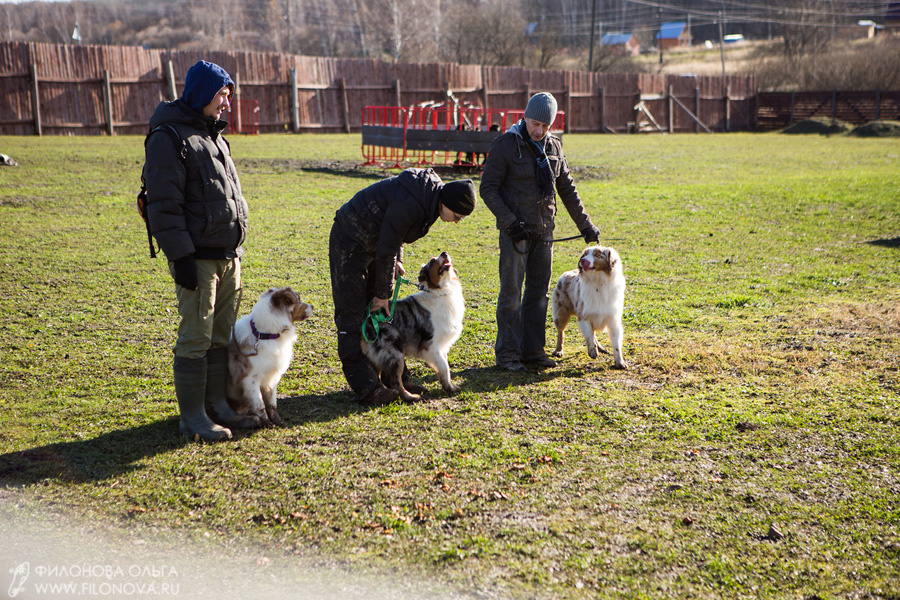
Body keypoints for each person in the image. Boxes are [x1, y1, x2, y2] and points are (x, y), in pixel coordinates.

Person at [143, 61, 248, 441]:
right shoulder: (167, 138)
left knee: (220, 336)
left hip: (227, 254)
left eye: (228, 96)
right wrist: (181, 257)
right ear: (204, 93)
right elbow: (163, 205)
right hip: (198, 258)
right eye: (223, 95)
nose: (227, 104)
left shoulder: (215, 137)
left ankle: (216, 405)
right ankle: (192, 417)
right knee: (196, 336)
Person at [329, 169, 476, 406]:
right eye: (458, 215)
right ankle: (368, 388)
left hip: (375, 244)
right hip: (351, 238)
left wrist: (398, 259)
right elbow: (389, 240)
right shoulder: (416, 202)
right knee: (353, 314)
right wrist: (382, 295)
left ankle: (396, 379)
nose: (458, 221)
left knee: (380, 317)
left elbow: (394, 235)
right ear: (447, 203)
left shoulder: (429, 199)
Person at [480, 92, 600, 372]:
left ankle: (533, 351)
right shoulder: (507, 145)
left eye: (546, 126)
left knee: (538, 295)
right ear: (525, 117)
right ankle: (508, 354)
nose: (540, 131)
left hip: (544, 233)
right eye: (535, 124)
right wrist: (510, 222)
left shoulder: (554, 148)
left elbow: (567, 190)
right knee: (511, 294)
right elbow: (488, 188)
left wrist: (586, 225)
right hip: (515, 235)